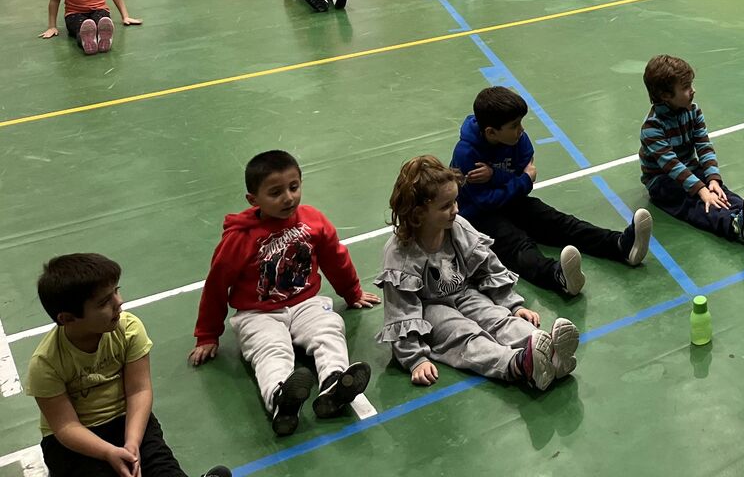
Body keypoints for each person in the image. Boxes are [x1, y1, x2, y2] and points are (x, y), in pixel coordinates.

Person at [189, 150, 379, 437]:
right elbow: (217, 283)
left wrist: (351, 291)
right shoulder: (239, 238)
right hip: (257, 314)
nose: (288, 198)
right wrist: (207, 333)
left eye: (294, 187)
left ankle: (334, 383)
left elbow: (334, 257)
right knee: (271, 351)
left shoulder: (312, 221)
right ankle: (280, 398)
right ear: (253, 200)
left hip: (306, 303)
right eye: (276, 192)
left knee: (330, 329)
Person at [376, 156, 579, 391]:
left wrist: (513, 304)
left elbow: (488, 266)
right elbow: (400, 312)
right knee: (465, 334)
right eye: (445, 206)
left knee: (496, 317)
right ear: (418, 213)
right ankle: (519, 364)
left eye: (455, 201)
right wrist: (415, 359)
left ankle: (550, 351)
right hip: (428, 308)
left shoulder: (458, 227)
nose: (456, 210)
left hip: (464, 292)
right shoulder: (400, 253)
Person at [25, 252, 231, 477]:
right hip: (75, 441)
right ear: (67, 318)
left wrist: (132, 444)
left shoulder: (129, 329)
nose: (119, 302)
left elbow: (139, 390)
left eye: (116, 291)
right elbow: (66, 427)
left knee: (159, 465)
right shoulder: (46, 363)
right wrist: (108, 452)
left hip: (127, 421)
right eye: (104, 302)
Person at [451, 86, 654, 296]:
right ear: (491, 132)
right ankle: (557, 277)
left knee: (558, 221)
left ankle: (619, 245)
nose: (521, 129)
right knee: (517, 243)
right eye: (514, 125)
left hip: (510, 199)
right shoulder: (466, 153)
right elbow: (486, 200)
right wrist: (520, 181)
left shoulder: (517, 138)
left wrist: (495, 176)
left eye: (520, 122)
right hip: (479, 217)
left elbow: (527, 175)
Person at [639, 54, 744, 248]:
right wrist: (702, 190)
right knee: (697, 204)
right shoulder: (652, 128)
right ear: (665, 95)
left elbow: (704, 146)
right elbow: (672, 166)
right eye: (686, 87)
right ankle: (736, 226)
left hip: (690, 169)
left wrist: (713, 179)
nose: (693, 90)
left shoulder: (693, 111)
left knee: (721, 193)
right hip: (662, 181)